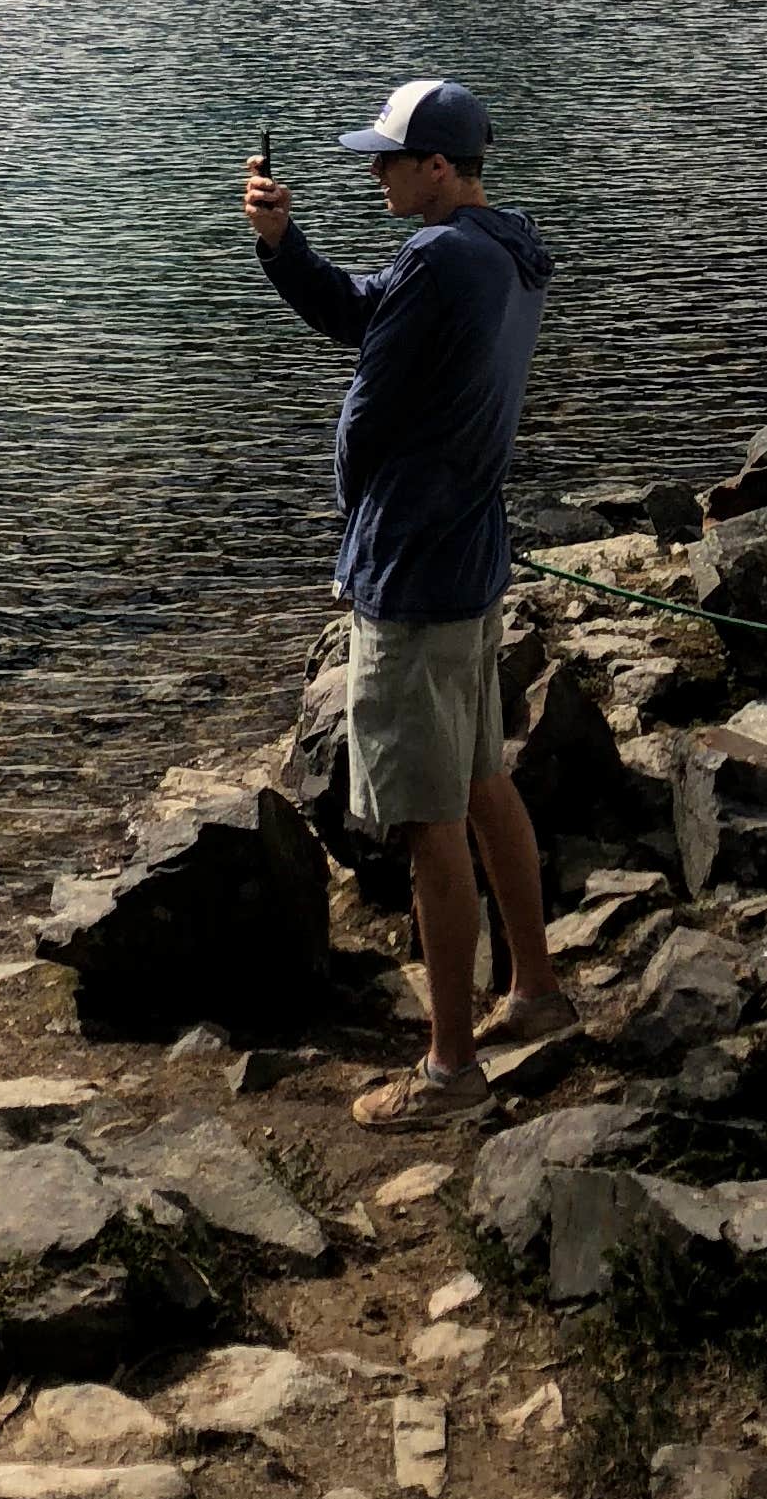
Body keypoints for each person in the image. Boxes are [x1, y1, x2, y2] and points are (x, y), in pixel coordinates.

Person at [243, 75, 568, 1121]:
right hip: (472, 558)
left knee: (428, 820)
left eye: (387, 158)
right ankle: (538, 992)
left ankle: (450, 1071)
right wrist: (282, 245)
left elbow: (364, 415)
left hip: (415, 576)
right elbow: (355, 316)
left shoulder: (436, 262)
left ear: (439, 166)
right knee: (481, 782)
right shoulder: (500, 253)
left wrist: (359, 522)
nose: (373, 172)